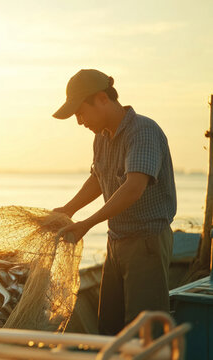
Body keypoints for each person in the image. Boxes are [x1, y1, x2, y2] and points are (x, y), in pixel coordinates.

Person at [51, 69, 176, 335]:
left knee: (144, 333)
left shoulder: (143, 131)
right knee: (110, 328)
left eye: (80, 112)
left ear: (101, 99)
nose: (79, 121)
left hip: (146, 243)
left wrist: (86, 224)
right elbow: (98, 178)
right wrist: (69, 209)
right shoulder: (102, 136)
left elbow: (133, 188)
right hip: (116, 241)